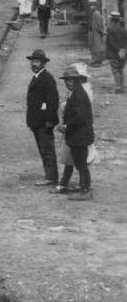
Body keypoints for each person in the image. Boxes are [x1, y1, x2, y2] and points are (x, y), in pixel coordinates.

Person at [54, 63, 94, 201]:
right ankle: (84, 189)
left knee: (81, 164)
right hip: (78, 135)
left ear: (76, 80)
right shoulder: (75, 93)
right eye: (66, 80)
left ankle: (85, 191)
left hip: (80, 135)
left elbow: (80, 117)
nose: (67, 83)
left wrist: (67, 126)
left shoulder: (79, 95)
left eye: (70, 80)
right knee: (79, 163)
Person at [24, 49, 60, 188]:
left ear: (44, 63)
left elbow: (52, 102)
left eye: (37, 61)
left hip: (44, 122)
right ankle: (49, 175)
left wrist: (49, 122)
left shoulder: (47, 79)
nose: (34, 64)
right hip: (37, 121)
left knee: (47, 150)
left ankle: (51, 177)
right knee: (43, 149)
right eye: (32, 61)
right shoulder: (37, 77)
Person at [108, 11, 127, 94]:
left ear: (112, 20)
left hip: (114, 53)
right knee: (121, 70)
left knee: (115, 70)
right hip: (123, 53)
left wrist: (118, 50)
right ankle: (122, 87)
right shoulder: (124, 30)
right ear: (118, 20)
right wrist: (123, 50)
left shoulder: (110, 29)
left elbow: (111, 42)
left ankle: (118, 88)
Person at [88, 2, 107, 67]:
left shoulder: (97, 13)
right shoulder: (93, 13)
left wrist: (102, 31)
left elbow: (99, 24)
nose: (91, 7)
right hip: (93, 32)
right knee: (94, 46)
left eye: (92, 5)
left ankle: (97, 61)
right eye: (90, 5)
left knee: (97, 46)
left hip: (97, 33)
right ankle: (95, 61)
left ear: (95, 5)